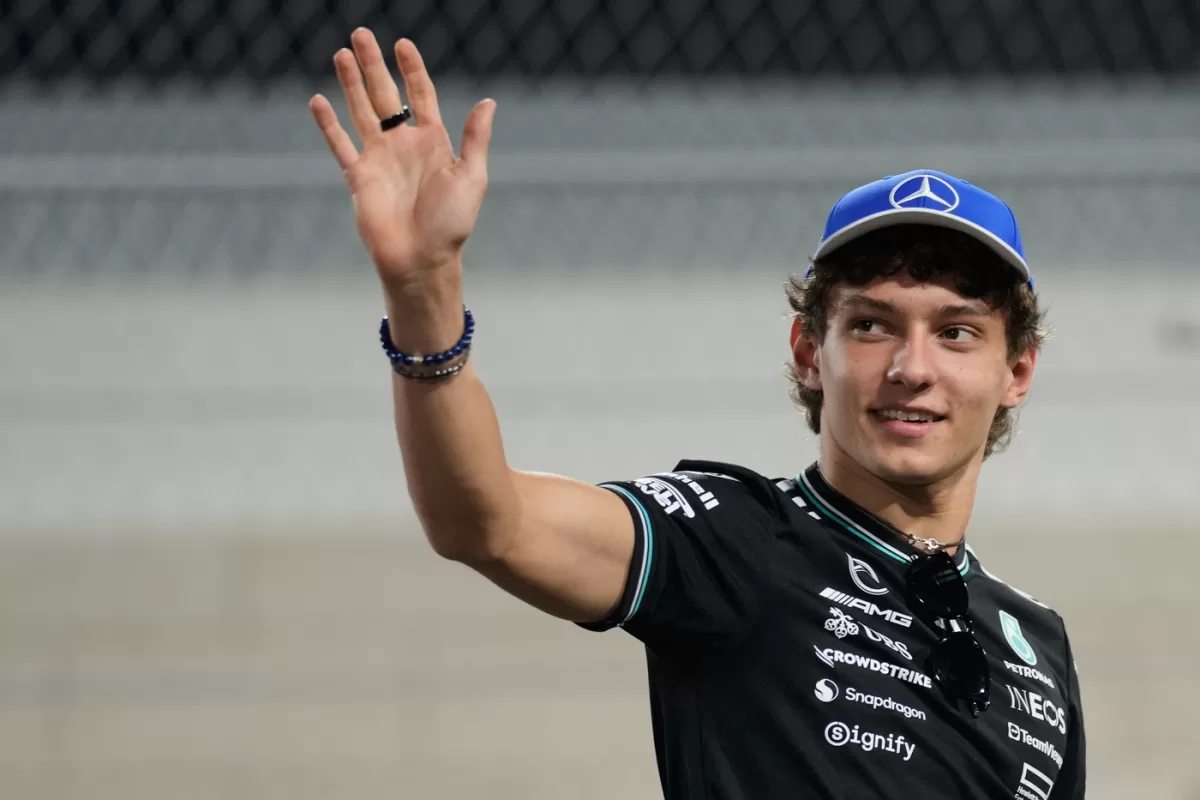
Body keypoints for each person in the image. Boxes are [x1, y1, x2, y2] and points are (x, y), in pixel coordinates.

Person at [309, 28, 1085, 800]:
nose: (912, 369)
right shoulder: (736, 539)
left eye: (956, 333)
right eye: (872, 326)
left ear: (1016, 372)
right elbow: (487, 522)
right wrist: (425, 293)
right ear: (809, 353)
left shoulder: (1038, 644)